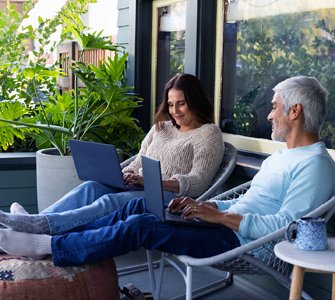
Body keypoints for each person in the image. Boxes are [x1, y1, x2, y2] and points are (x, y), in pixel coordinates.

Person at [0, 76, 335, 267]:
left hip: (242, 243)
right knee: (137, 206)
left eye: (275, 108)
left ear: (295, 111)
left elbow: (287, 227)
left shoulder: (315, 165)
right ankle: (45, 237)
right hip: (223, 224)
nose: (270, 116)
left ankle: (48, 246)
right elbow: (249, 201)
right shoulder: (280, 158)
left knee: (141, 224)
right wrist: (208, 209)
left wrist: (218, 217)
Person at [0, 73, 224, 236]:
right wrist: (124, 175)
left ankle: (36, 227)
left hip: (169, 200)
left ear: (195, 101)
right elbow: (138, 162)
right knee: (90, 188)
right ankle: (31, 223)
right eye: (171, 104)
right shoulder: (161, 128)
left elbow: (198, 183)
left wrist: (149, 181)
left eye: (181, 104)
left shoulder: (209, 134)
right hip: (140, 188)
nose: (174, 111)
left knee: (111, 200)